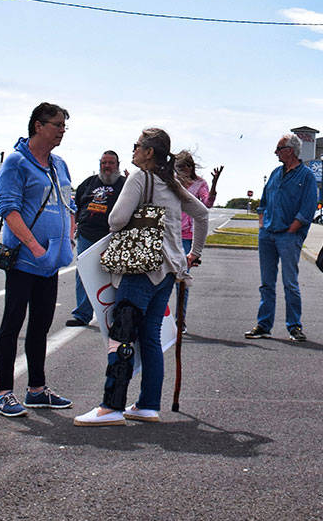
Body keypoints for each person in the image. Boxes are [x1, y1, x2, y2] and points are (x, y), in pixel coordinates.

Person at [75, 127, 207, 426]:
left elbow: (116, 220)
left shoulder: (139, 178)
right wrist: (194, 252)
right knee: (149, 337)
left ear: (148, 152)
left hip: (139, 268)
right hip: (170, 270)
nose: (133, 150)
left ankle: (111, 406)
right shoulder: (170, 182)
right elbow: (201, 214)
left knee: (122, 335)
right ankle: (148, 404)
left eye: (136, 146)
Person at [0, 103, 75, 418]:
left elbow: (70, 202)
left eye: (64, 125)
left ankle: (37, 389)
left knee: (41, 324)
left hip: (50, 260)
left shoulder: (60, 164)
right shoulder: (16, 163)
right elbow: (9, 209)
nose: (62, 130)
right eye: (57, 125)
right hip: (25, 260)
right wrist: (34, 248)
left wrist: (68, 238)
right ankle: (3, 393)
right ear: (38, 126)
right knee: (13, 323)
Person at [245, 131, 316, 342]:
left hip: (288, 237)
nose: (275, 152)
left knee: (290, 283)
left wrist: (293, 229)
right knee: (266, 283)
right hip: (267, 235)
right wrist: (262, 224)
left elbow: (308, 207)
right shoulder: (276, 173)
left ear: (290, 151)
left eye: (279, 149)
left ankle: (294, 326)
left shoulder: (306, 176)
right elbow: (264, 201)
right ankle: (263, 325)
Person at [67, 150, 125, 327]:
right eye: (104, 163)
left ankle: (115, 316)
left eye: (111, 163)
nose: (107, 166)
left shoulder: (125, 184)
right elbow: (74, 207)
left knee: (115, 277)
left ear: (117, 165)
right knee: (83, 274)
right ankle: (82, 314)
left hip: (112, 237)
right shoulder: (88, 183)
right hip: (87, 236)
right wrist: (73, 230)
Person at [174, 150, 221, 327]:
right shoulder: (172, 182)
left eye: (184, 167)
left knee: (181, 280)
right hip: (170, 233)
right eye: (178, 167)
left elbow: (207, 204)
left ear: (190, 167)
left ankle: (180, 321)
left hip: (187, 237)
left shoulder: (200, 184)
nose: (181, 171)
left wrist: (215, 184)